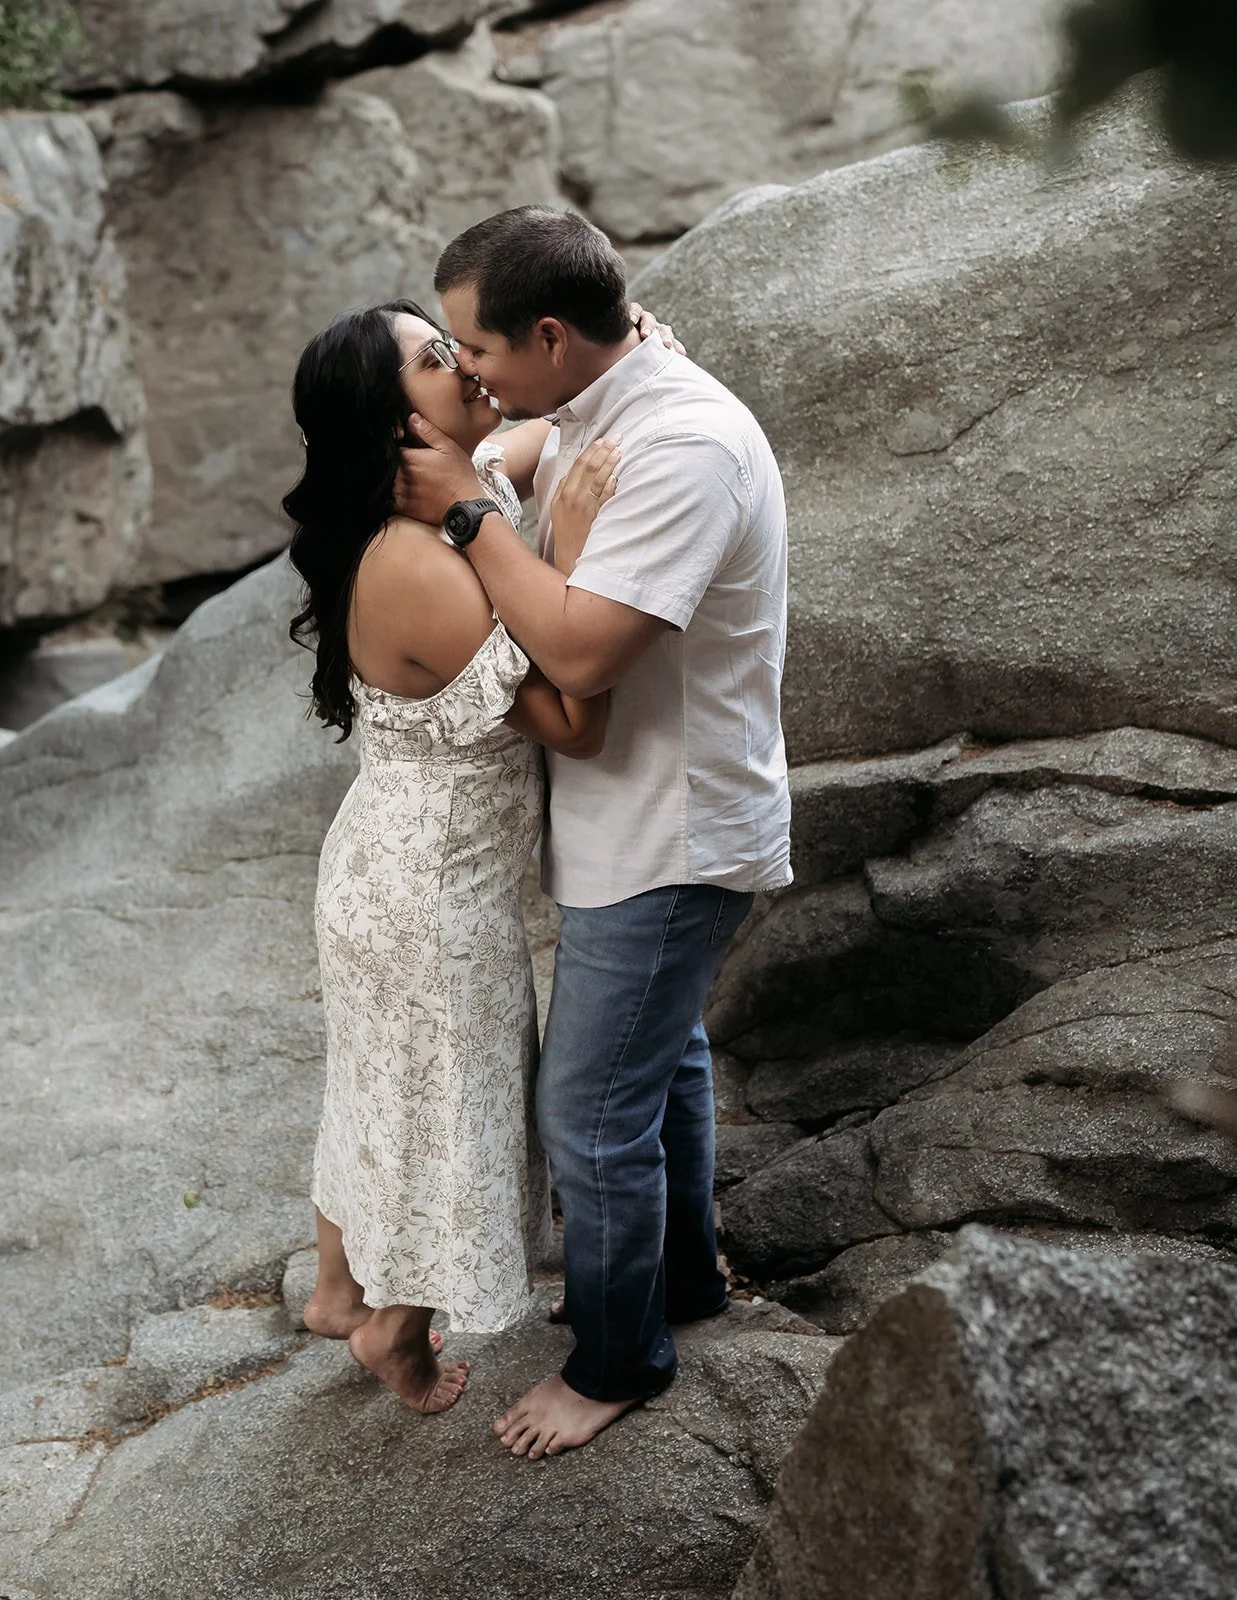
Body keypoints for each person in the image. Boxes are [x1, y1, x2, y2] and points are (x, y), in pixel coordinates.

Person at [393, 206, 793, 1456]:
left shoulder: (684, 446)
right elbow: (518, 433)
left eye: (480, 350)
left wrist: (469, 511)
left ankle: (619, 1360)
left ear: (553, 335)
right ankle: (679, 1282)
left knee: (588, 1108)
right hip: (630, 822)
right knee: (660, 1059)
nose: (470, 375)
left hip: (669, 836)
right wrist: (498, 458)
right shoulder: (594, 398)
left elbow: (577, 647)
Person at [284, 297, 654, 1414]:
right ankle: (391, 1333)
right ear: (394, 420)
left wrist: (631, 352)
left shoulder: (452, 482)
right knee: (448, 1107)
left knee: (375, 1082)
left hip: (389, 863)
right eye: (438, 359)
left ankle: (335, 1288)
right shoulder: (417, 561)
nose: (470, 366)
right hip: (426, 890)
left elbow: (526, 438)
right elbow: (577, 717)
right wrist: (578, 544)